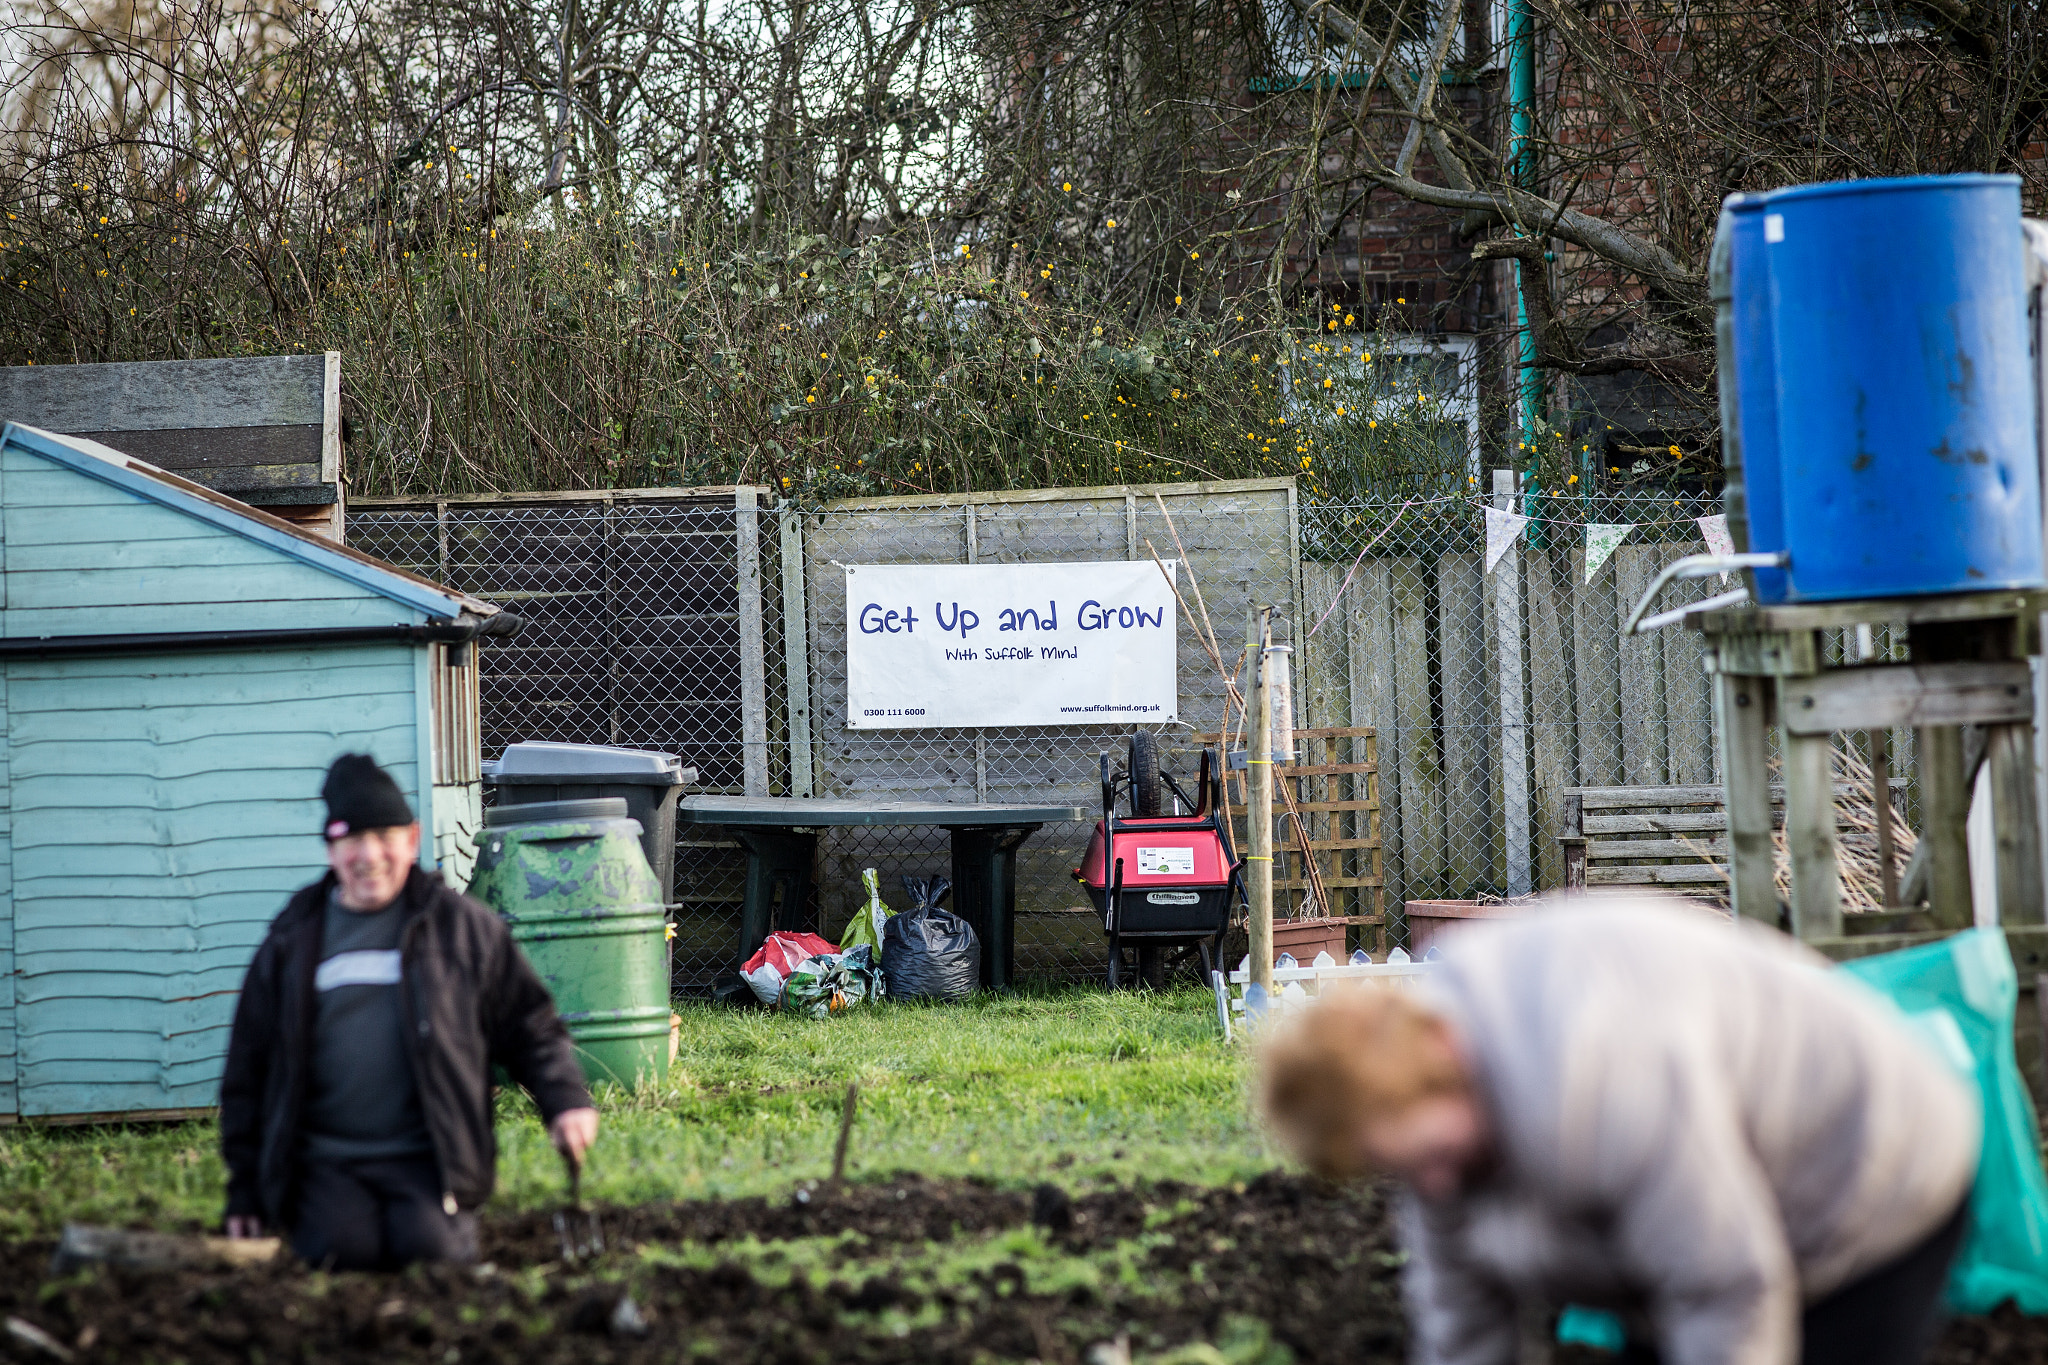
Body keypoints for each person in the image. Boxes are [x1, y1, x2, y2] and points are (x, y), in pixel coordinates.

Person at [1259, 899, 1980, 1365]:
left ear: (1448, 1058)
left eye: (1434, 1156)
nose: (1435, 1187)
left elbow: (1721, 1289)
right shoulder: (1418, 1108)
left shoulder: (1600, 1070)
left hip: (1867, 1172)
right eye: (1405, 1172)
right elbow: (1461, 1320)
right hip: (1701, 1227)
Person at [220, 753, 599, 1270]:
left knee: (430, 1256)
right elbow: (249, 1064)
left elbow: (527, 1022)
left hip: (429, 1157)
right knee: (340, 1257)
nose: (369, 856)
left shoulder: (462, 929)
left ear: (413, 839)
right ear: (331, 849)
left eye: (385, 837)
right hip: (326, 1161)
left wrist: (564, 1099)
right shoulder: (294, 938)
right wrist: (244, 1189)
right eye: (352, 840)